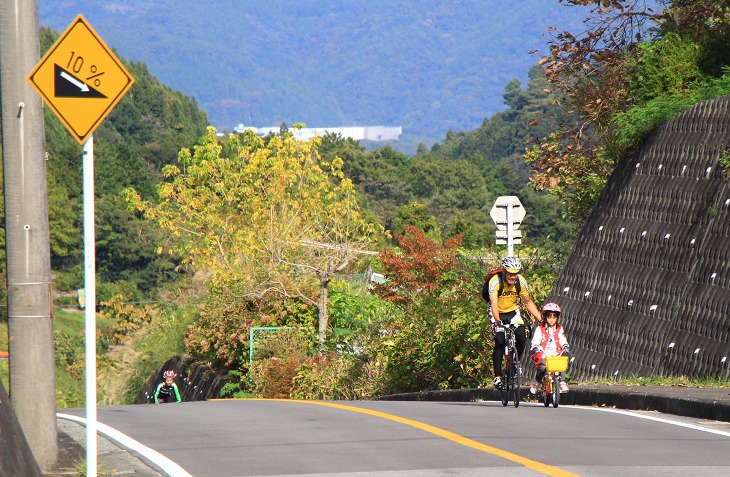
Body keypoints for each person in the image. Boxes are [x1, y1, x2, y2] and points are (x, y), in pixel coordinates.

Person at [487, 256, 542, 389]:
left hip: (512, 312)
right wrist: (498, 322)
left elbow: (528, 302)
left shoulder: (521, 282)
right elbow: (494, 304)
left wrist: (542, 320)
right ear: (504, 271)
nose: (513, 276)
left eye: (515, 273)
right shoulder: (495, 282)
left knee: (522, 336)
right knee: (500, 340)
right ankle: (498, 376)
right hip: (497, 312)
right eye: (510, 273)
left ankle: (514, 363)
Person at [530, 302, 571, 394]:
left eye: (554, 317)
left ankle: (561, 381)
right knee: (542, 366)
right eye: (549, 317)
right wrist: (536, 347)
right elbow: (536, 339)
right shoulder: (540, 329)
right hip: (543, 353)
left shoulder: (559, 328)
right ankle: (537, 381)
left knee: (562, 363)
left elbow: (562, 339)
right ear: (545, 317)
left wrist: (565, 346)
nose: (552, 319)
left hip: (556, 353)